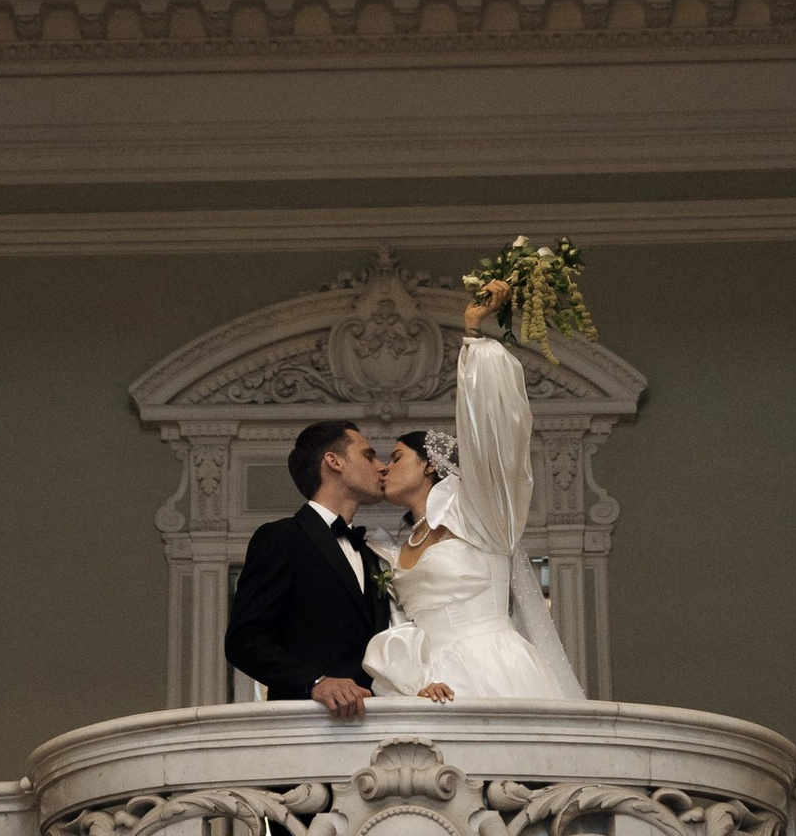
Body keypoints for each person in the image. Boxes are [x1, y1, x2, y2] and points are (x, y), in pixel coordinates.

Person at [364, 279, 584, 701]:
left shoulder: (480, 514)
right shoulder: (391, 548)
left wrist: (474, 337)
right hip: (431, 680)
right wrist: (414, 679)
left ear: (430, 464)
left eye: (397, 457)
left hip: (494, 668)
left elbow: (491, 434)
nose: (385, 468)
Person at [223, 417, 397, 717]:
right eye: (368, 456)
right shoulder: (282, 537)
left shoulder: (372, 553)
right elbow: (244, 640)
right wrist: (315, 682)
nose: (382, 467)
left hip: (375, 721)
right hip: (306, 722)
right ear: (333, 461)